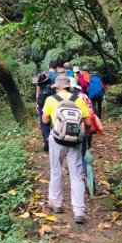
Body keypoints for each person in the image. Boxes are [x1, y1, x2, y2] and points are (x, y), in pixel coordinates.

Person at [42, 75, 92, 224]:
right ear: (69, 86)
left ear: (57, 87)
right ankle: (78, 212)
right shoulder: (78, 99)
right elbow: (88, 121)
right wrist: (87, 134)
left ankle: (56, 204)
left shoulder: (51, 100)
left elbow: (44, 120)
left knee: (56, 170)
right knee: (76, 174)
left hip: (57, 139)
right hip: (75, 140)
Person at [33, 71, 54, 152]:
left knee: (43, 122)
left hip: (42, 104)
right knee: (52, 120)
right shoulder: (51, 82)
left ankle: (46, 139)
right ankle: (54, 139)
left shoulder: (39, 82)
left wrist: (37, 103)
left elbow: (38, 93)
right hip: (51, 103)